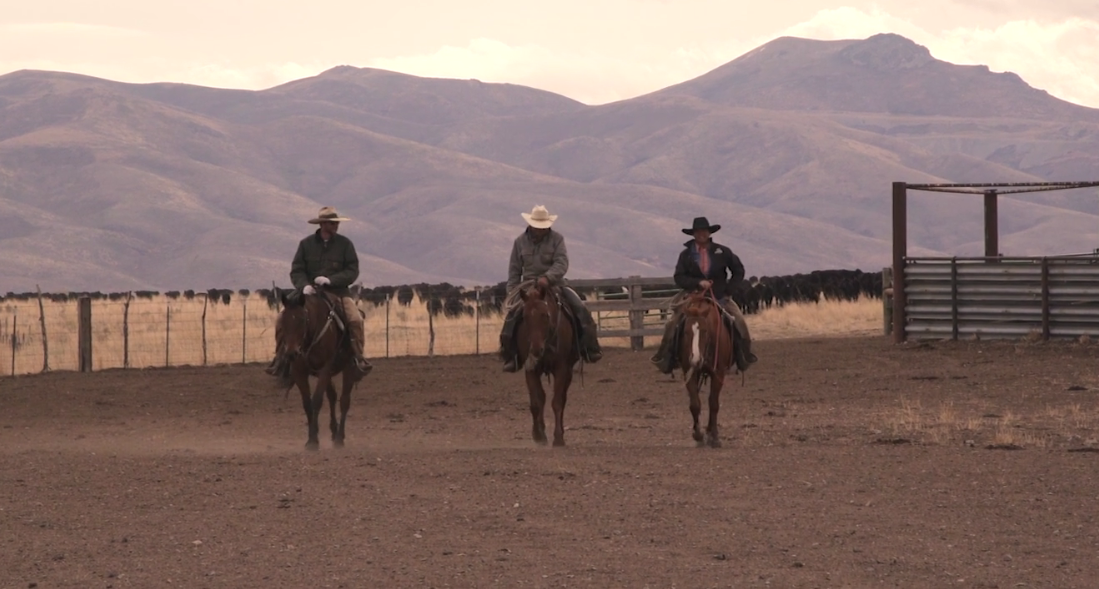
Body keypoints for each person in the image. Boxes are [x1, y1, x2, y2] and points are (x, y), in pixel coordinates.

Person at [499, 205, 603, 372]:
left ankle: (589, 349)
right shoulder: (519, 242)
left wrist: (548, 278)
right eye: (538, 227)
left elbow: (562, 263)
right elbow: (514, 270)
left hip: (556, 285)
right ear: (531, 224)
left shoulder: (557, 239)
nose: (541, 230)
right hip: (528, 287)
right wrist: (513, 292)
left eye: (544, 227)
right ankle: (511, 356)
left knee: (580, 309)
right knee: (511, 319)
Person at [650, 216, 758, 373]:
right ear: (693, 234)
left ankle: (743, 357)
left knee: (740, 321)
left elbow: (738, 270)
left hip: (720, 296)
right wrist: (698, 283)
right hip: (693, 297)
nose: (701, 234)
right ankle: (666, 358)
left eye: (704, 231)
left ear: (709, 232)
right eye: (698, 231)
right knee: (672, 324)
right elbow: (679, 277)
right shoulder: (685, 255)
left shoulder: (722, 251)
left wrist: (728, 290)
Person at [289, 206, 372, 374]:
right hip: (308, 293)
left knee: (355, 320)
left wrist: (331, 280)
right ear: (322, 224)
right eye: (331, 223)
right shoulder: (305, 245)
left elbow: (352, 270)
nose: (335, 226)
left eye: (336, 223)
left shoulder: (345, 244)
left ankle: (357, 358)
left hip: (338, 293)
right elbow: (297, 269)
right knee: (284, 317)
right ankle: (281, 358)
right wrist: (304, 285)